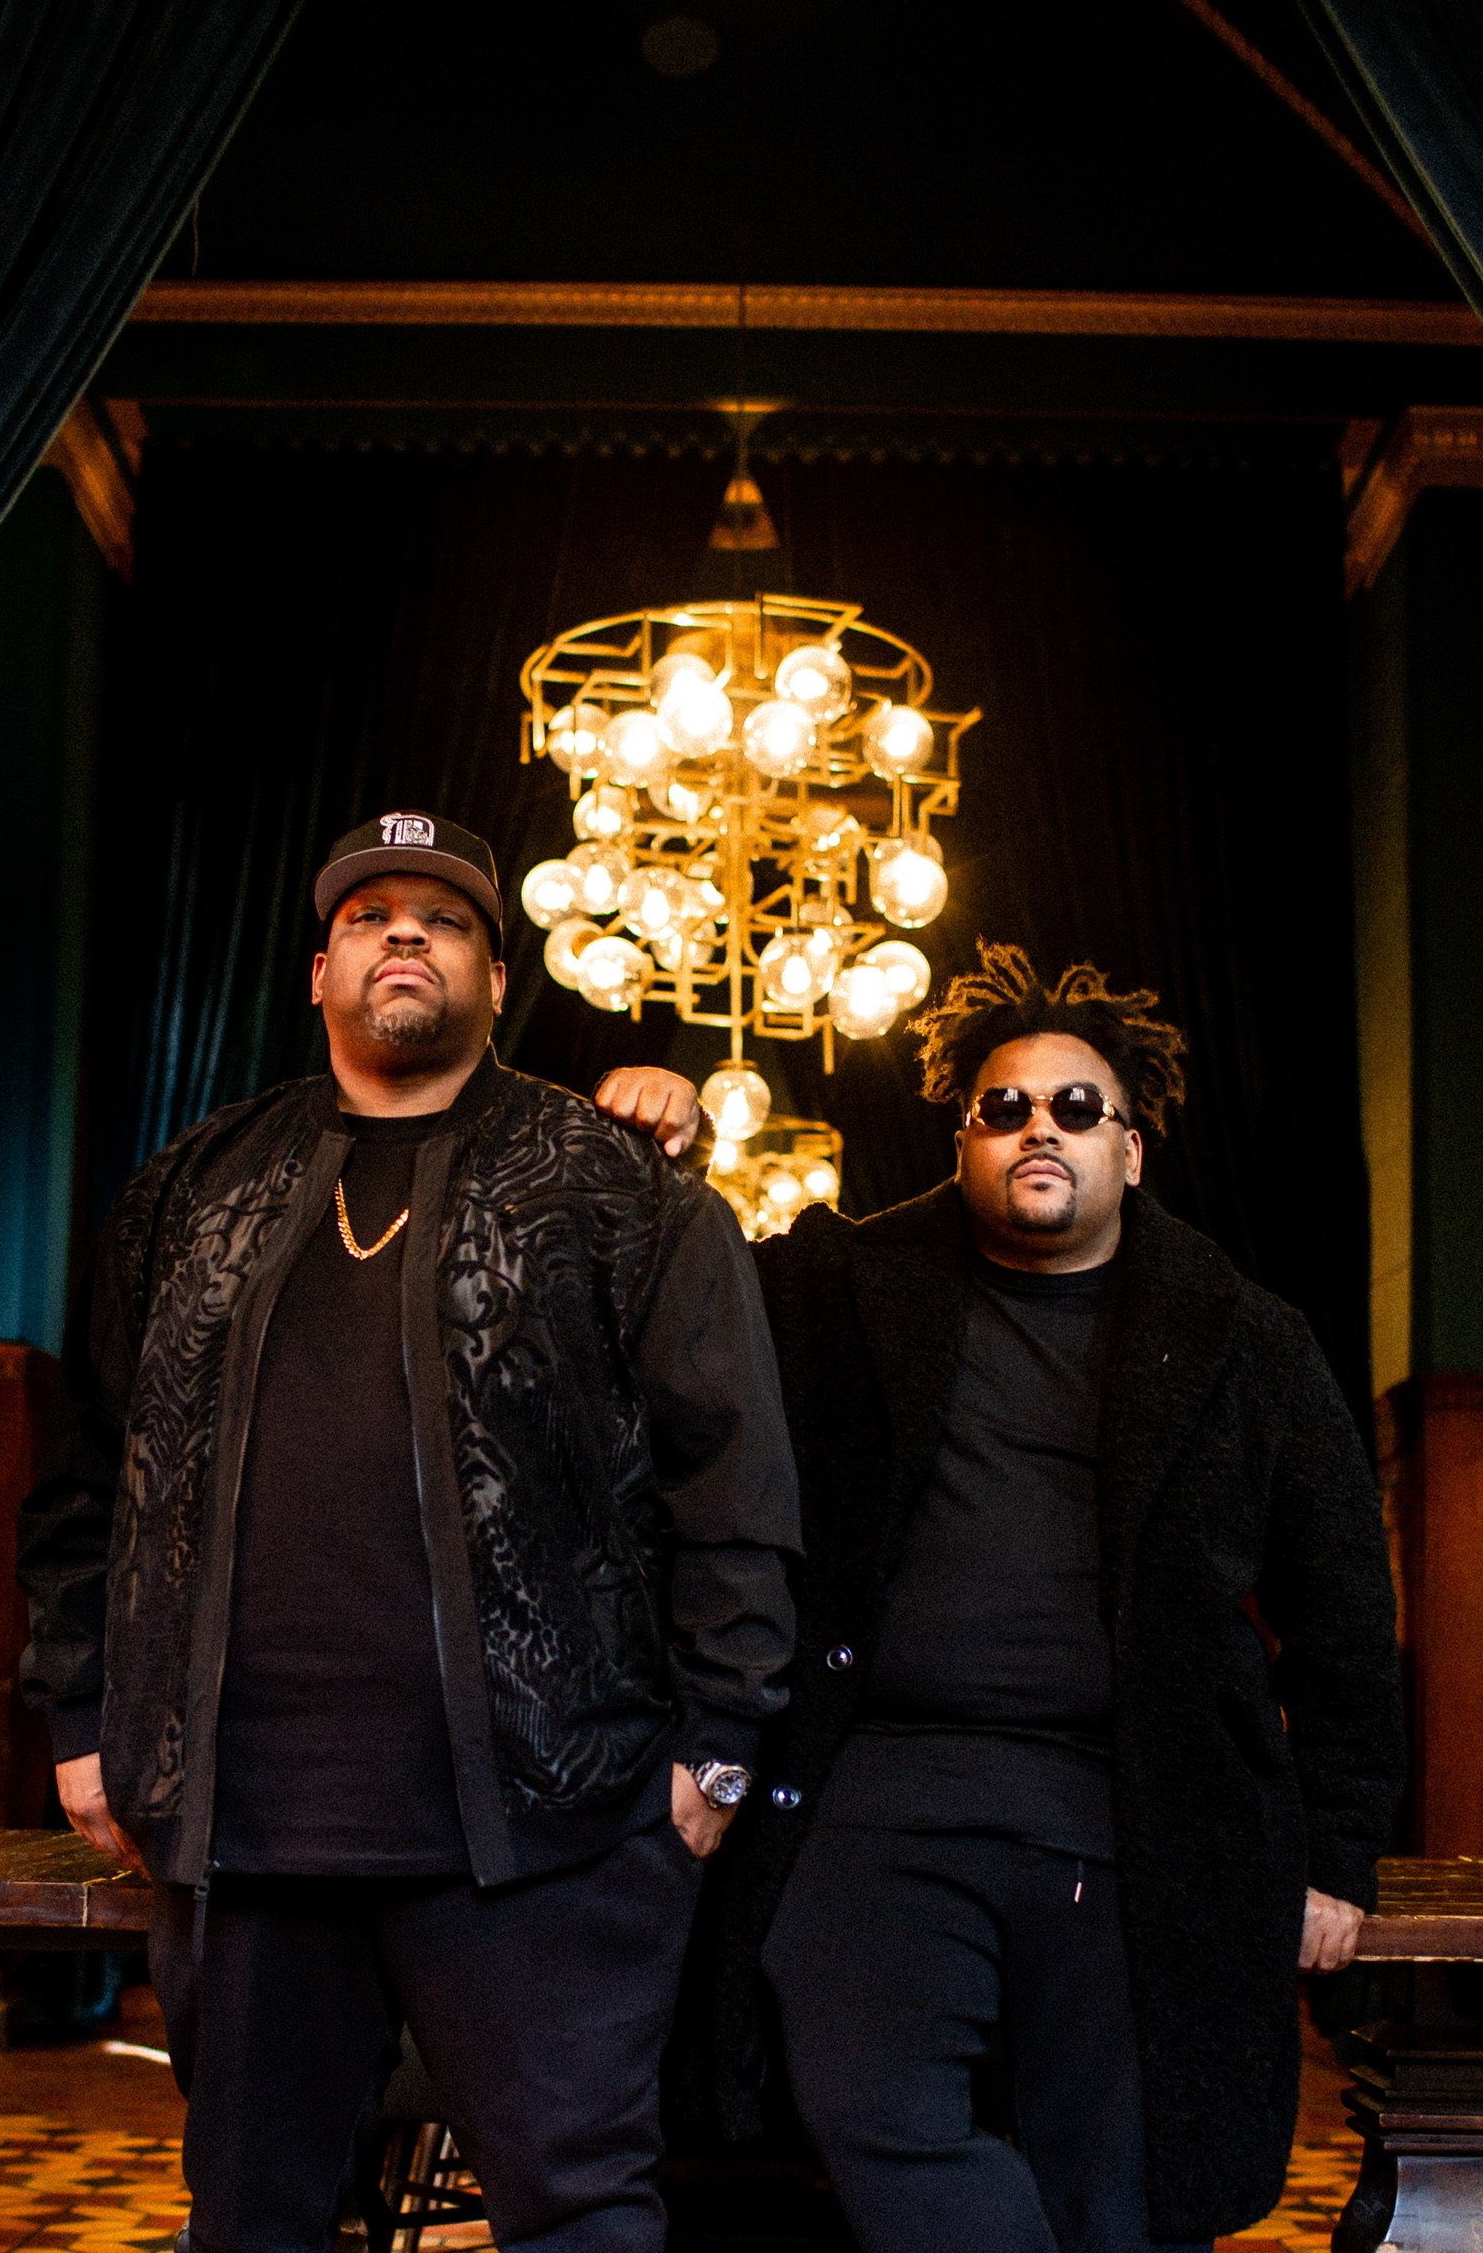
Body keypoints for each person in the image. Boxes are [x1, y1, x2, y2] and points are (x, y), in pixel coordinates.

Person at [18, 809, 801, 2253]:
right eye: (370, 917)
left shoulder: (617, 1184)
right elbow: (84, 1483)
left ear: (496, 981)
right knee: (251, 2219)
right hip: (242, 1826)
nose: (404, 935)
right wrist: (81, 1718)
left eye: (443, 921)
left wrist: (722, 1744)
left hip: (552, 1819)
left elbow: (734, 1483)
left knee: (579, 2214)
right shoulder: (191, 1189)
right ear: (321, 972)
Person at [601, 941, 1404, 2253]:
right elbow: (678, 1340)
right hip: (886, 1792)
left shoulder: (1246, 1338)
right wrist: (664, 1171)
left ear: (1130, 1150)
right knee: (871, 2112)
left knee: (1121, 2195)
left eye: (1078, 1108)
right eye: (1005, 1107)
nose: (1042, 1127)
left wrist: (1338, 1850)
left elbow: (1344, 1615)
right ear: (962, 1141)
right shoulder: (838, 1289)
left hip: (1139, 1812)